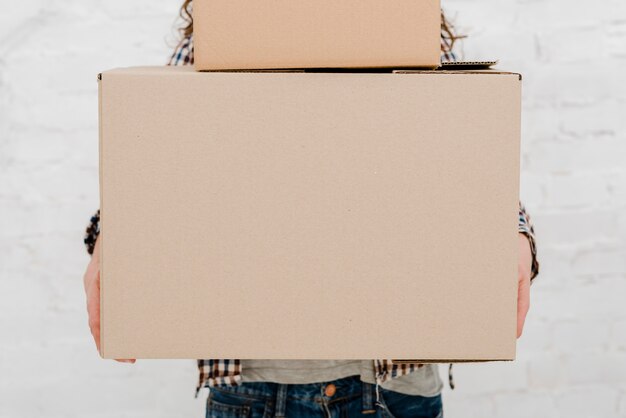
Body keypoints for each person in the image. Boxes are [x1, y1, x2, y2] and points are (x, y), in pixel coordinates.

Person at [83, 2, 540, 417]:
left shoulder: (401, 24)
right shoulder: (228, 28)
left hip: (395, 382)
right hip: (259, 387)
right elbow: (161, 157)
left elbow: (465, 154)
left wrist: (515, 232)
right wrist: (113, 239)